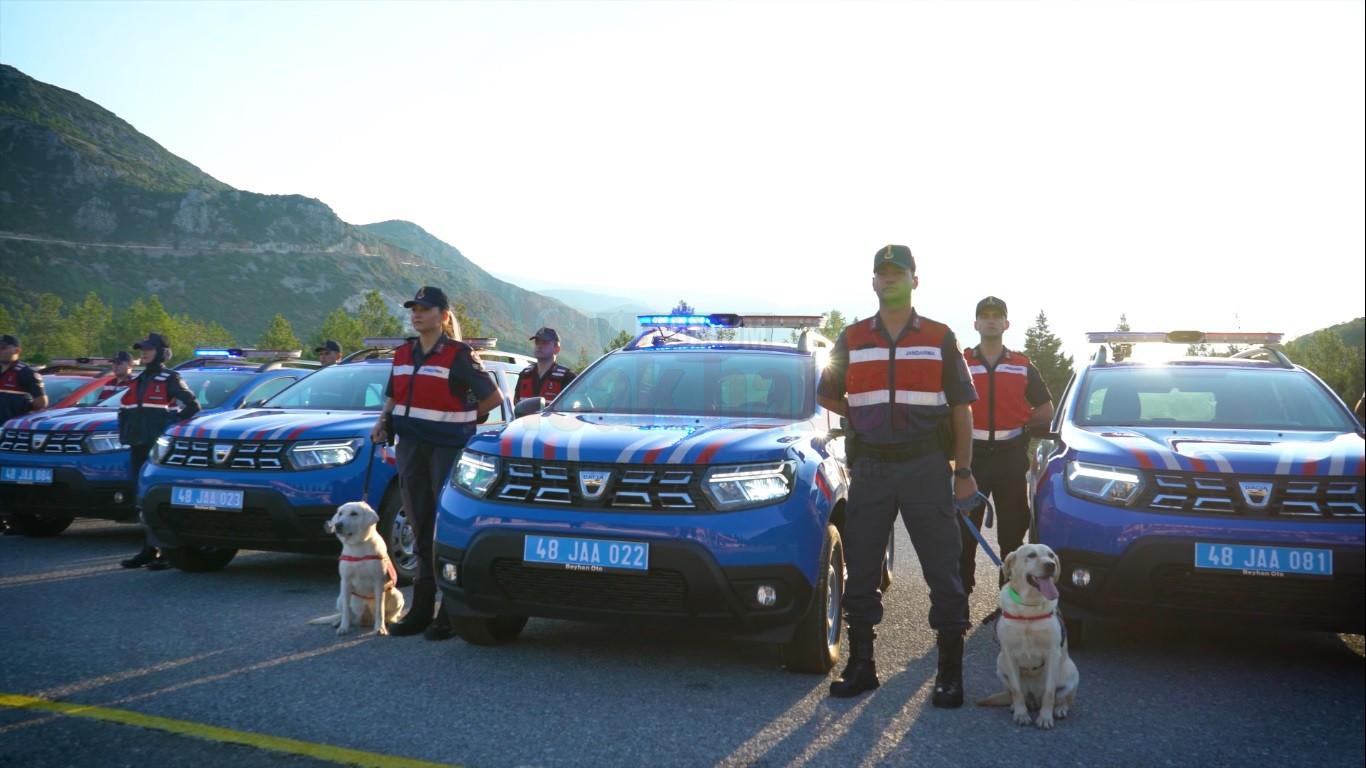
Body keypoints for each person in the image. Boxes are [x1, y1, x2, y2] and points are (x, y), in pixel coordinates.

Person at [816, 244, 978, 704]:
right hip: (870, 466)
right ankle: (862, 666)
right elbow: (828, 394)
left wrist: (963, 470)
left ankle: (949, 673)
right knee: (861, 568)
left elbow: (962, 410)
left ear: (914, 280)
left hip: (926, 466)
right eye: (881, 274)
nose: (889, 279)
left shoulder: (940, 337)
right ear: (873, 282)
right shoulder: (851, 338)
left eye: (898, 273)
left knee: (943, 570)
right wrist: (864, 418)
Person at [371, 286, 502, 640]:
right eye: (414, 308)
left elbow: (493, 397)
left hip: (446, 448)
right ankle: (421, 608)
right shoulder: (401, 354)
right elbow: (394, 395)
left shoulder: (458, 355)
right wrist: (382, 420)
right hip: (411, 446)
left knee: (444, 528)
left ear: (443, 316)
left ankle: (449, 611)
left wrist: (462, 418)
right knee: (419, 525)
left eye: (425, 309)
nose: (417, 314)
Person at [959, 296, 1054, 622]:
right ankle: (960, 604)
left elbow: (1045, 408)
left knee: (1012, 536)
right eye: (983, 316)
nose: (990, 320)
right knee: (963, 533)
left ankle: (1006, 604)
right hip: (971, 456)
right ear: (975, 324)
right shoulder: (961, 361)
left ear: (1006, 323)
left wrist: (1025, 425)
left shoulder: (1022, 363)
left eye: (996, 316)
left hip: (1011, 457)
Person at [119, 333, 201, 570]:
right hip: (137, 446)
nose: (143, 353)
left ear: (162, 352)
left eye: (148, 349)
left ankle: (167, 553)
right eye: (141, 349)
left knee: (159, 501)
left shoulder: (170, 377)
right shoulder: (138, 379)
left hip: (158, 451)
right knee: (142, 500)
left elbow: (193, 405)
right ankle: (148, 550)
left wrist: (169, 424)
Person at [514, 327, 577, 405]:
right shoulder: (524, 375)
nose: (539, 346)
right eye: (537, 342)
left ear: (557, 349)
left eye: (545, 343)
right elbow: (516, 405)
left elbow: (577, 408)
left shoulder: (567, 377)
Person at [0, 334, 48, 425]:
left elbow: (41, 403)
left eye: (2, 347)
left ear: (17, 350)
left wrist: (21, 407)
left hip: (11, 427)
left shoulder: (25, 373)